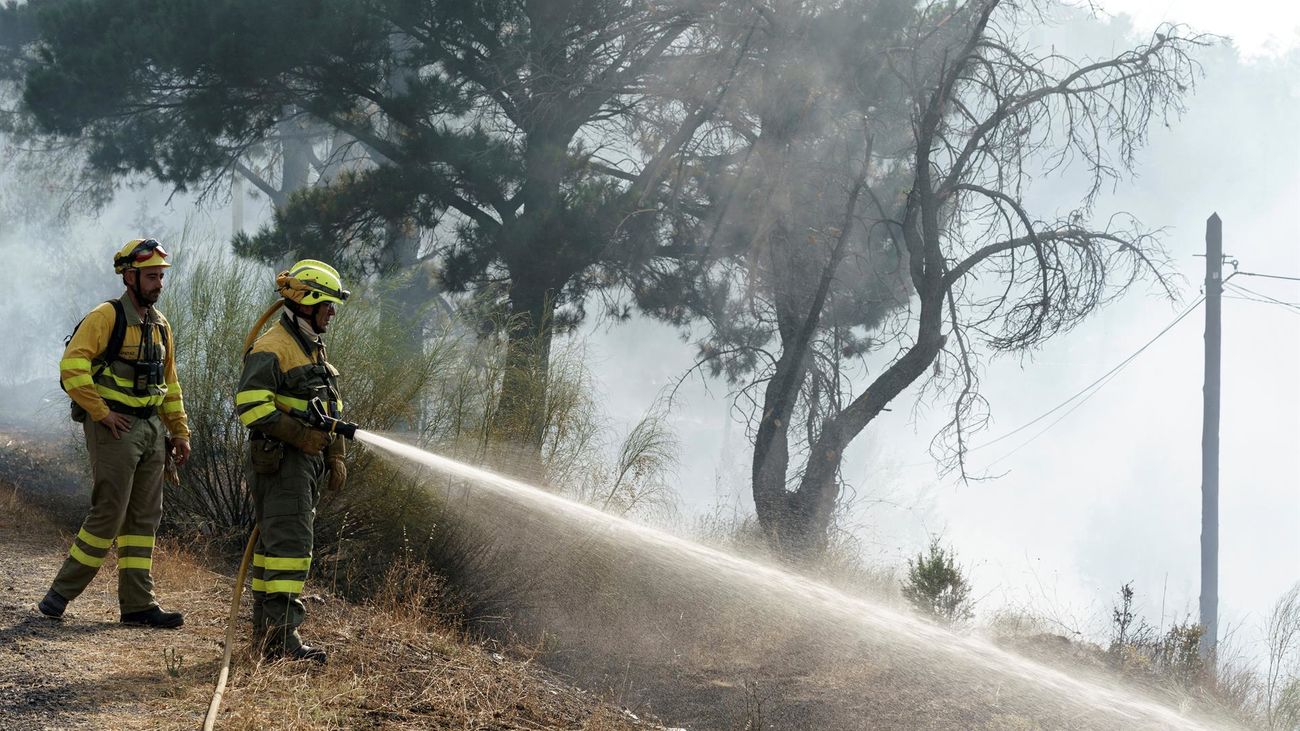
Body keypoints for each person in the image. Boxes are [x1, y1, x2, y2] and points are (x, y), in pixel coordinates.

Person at [39, 239, 192, 627]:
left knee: (143, 520)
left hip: (150, 430)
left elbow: (170, 385)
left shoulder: (160, 325)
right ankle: (60, 595)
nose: (158, 284)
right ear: (129, 276)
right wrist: (102, 413)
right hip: (115, 428)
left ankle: (138, 604)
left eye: (161, 276)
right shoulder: (105, 316)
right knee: (109, 513)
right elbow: (72, 367)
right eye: (151, 276)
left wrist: (179, 431)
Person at [234, 260, 349, 663]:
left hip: (303, 462)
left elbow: (327, 406)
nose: (332, 313)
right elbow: (250, 408)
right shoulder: (272, 347)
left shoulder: (310, 343)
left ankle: (267, 636)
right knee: (291, 548)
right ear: (308, 302)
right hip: (282, 462)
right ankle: (282, 639)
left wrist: (335, 453)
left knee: (273, 548)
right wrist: (303, 437)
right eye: (328, 305)